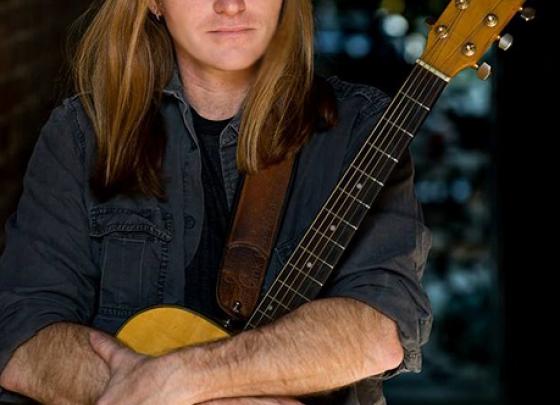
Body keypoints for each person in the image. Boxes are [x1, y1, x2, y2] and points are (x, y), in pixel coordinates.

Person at [0, 0, 433, 404]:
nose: (230, 6)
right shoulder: (80, 135)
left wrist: (190, 378)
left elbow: (378, 327)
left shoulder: (361, 129)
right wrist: (154, 393)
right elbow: (21, 334)